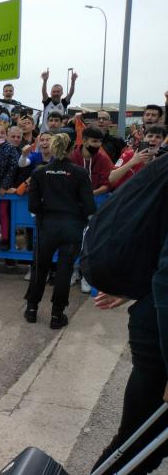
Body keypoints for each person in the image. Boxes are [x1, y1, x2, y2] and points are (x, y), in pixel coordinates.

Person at [91, 155, 167, 474]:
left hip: (153, 321)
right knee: (134, 448)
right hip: (159, 340)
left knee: (138, 447)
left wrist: (134, 285)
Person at [23, 133, 96, 329]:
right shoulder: (80, 173)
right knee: (64, 270)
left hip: (48, 225)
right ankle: (57, 315)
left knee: (40, 267)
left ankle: (31, 309)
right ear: (71, 148)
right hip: (72, 226)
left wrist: (45, 213)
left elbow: (33, 206)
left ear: (53, 148)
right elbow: (90, 206)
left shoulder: (39, 173)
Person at [110, 125, 165, 190]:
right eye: (150, 136)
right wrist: (132, 162)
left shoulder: (161, 159)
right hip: (121, 196)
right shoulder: (129, 154)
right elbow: (110, 178)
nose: (153, 139)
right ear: (144, 138)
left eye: (158, 137)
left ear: (163, 141)